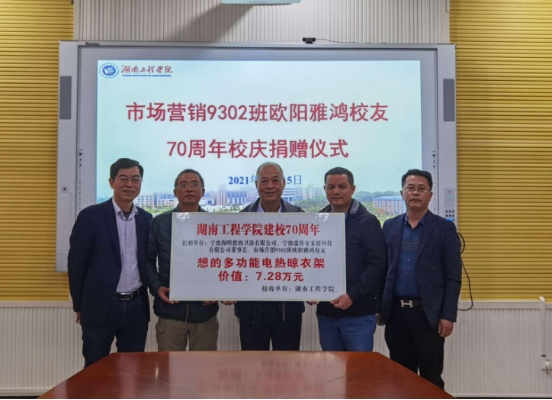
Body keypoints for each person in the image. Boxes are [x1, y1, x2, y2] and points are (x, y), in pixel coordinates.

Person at [379, 169, 462, 389]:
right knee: (400, 377)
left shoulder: (444, 228)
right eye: (410, 188)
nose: (415, 193)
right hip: (396, 315)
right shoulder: (389, 226)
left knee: (430, 378)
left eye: (421, 189)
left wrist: (448, 315)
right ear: (402, 193)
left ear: (430, 194)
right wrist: (380, 306)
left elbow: (453, 276)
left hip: (429, 316)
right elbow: (383, 270)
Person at [68, 158, 153, 368]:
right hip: (99, 306)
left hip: (136, 307)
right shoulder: (91, 216)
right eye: (123, 178)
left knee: (132, 370)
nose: (129, 184)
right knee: (96, 369)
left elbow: (148, 262)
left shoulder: (146, 219)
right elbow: (76, 264)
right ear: (111, 182)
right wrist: (79, 305)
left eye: (135, 179)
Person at [228, 162, 306, 351]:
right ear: (256, 184)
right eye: (264, 181)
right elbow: (232, 261)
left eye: (275, 180)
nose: (269, 186)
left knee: (287, 365)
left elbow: (309, 260)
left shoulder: (300, 217)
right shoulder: (240, 219)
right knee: (252, 365)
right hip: (251, 311)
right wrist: (227, 289)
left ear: (284, 183)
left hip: (288, 311)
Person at [310, 167, 387, 352]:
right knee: (330, 368)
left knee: (358, 369)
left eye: (342, 186)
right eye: (331, 187)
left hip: (358, 315)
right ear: (325, 189)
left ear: (352, 189)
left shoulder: (368, 222)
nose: (336, 191)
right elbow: (312, 260)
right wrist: (310, 289)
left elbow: (377, 265)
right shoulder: (318, 221)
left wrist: (353, 296)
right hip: (326, 315)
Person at [146, 169, 219, 352]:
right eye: (183, 185)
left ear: (203, 191)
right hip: (170, 314)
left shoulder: (215, 223)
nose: (189, 189)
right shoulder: (159, 223)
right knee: (170, 369)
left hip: (205, 315)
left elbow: (224, 263)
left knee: (204, 368)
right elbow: (148, 262)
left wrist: (219, 290)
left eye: (195, 184)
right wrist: (157, 288)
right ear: (175, 192)